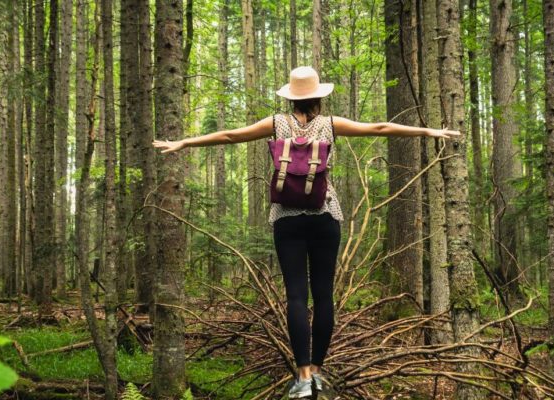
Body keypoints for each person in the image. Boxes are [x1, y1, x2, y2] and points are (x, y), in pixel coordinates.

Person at [153, 66, 460, 399]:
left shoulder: (275, 124)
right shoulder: (330, 125)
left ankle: (301, 377)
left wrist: (184, 142)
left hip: (287, 218)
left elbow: (229, 135)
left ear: (290, 97)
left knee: (296, 296)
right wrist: (428, 132)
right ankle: (317, 372)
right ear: (318, 96)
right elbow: (380, 127)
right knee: (324, 294)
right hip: (325, 215)